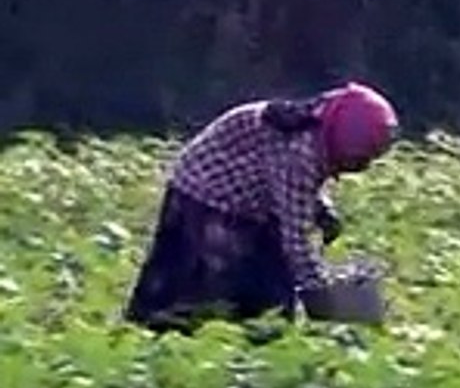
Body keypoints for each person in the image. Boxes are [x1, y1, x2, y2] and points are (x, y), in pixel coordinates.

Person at [123, 80, 399, 332]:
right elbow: (295, 237)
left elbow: (287, 182)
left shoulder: (311, 124)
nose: (362, 167)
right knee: (200, 292)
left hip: (246, 199)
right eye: (361, 160)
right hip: (204, 197)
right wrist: (322, 295)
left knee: (268, 286)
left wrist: (321, 211)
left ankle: (257, 337)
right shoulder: (300, 153)